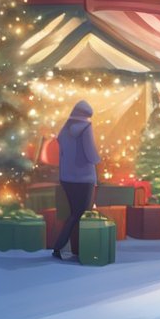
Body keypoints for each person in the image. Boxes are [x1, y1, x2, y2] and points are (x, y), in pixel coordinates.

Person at [51, 100, 100, 262]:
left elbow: (63, 153)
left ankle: (73, 249)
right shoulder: (86, 128)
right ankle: (61, 247)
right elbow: (91, 153)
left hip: (67, 178)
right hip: (84, 178)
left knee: (74, 214)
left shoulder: (64, 129)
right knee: (80, 214)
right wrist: (99, 160)